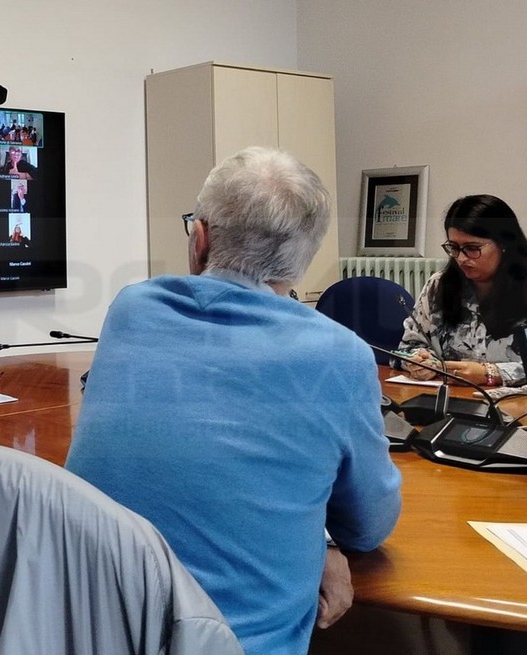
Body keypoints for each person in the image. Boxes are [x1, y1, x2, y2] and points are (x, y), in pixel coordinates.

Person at [65, 147, 402, 654]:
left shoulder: (132, 308)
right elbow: (369, 527)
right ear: (304, 259)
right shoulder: (342, 355)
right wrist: (324, 541)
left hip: (85, 634)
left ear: (198, 238)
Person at [397, 194, 527, 387]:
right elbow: (409, 346)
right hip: (451, 397)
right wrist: (419, 361)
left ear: (504, 244)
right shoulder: (438, 285)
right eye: (454, 247)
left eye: (472, 248)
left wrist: (492, 374)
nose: (461, 258)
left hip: (517, 403)